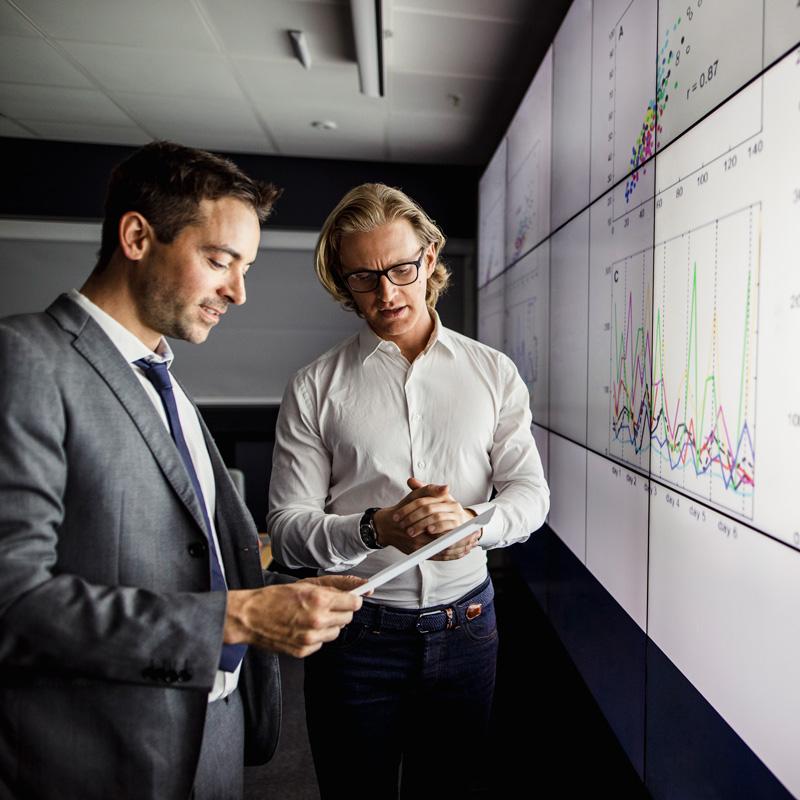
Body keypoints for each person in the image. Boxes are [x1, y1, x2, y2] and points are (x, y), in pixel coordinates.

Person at [0, 141, 363, 800]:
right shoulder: (26, 359)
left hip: (208, 733)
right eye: (219, 260)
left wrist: (276, 583)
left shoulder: (160, 379)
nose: (239, 291)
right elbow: (12, 601)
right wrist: (238, 619)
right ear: (137, 236)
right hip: (103, 754)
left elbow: (175, 545)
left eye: (244, 267)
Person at [268, 183, 550, 798]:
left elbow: (530, 493)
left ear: (429, 257)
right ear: (344, 283)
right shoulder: (315, 386)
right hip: (357, 637)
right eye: (365, 278)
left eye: (401, 268)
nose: (388, 293)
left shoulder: (493, 371)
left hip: (469, 627)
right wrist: (375, 528)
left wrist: (471, 523)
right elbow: (288, 527)